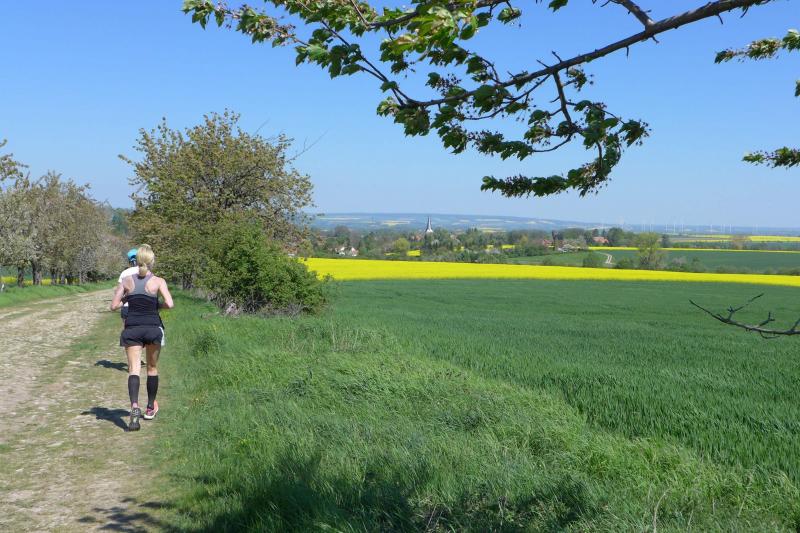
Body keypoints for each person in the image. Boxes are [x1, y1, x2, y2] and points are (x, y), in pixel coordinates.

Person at [110, 244, 174, 431]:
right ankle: (150, 407)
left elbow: (113, 306)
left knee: (134, 370)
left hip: (132, 329)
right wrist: (156, 305)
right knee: (152, 368)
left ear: (136, 261)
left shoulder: (126, 281)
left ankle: (134, 408)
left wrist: (127, 298)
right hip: (152, 328)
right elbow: (170, 304)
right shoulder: (158, 281)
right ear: (152, 261)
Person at [118, 249, 139, 322]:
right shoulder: (145, 272)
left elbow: (119, 292)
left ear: (129, 260)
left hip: (127, 307)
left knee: (127, 328)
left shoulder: (124, 273)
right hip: (142, 306)